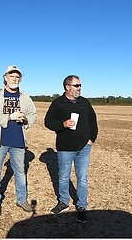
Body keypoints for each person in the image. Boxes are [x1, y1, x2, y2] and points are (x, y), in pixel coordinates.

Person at [0, 65, 37, 217]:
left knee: (20, 172)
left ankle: (22, 200)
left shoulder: (25, 97)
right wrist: (10, 117)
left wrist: (26, 119)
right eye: (11, 76)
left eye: (17, 77)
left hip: (18, 141)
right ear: (5, 78)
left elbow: (33, 114)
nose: (15, 79)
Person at [44, 75, 98, 223]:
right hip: (65, 148)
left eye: (80, 85)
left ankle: (82, 206)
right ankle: (63, 202)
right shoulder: (58, 103)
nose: (79, 88)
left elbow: (93, 121)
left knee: (82, 178)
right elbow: (48, 122)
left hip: (83, 148)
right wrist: (63, 124)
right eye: (76, 85)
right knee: (63, 176)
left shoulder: (84, 102)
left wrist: (91, 138)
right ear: (67, 87)